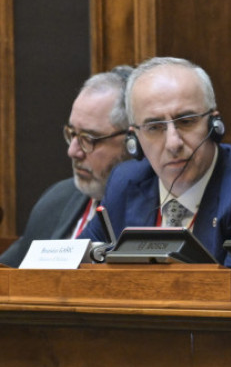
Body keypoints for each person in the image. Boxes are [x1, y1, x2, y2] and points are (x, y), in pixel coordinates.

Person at [80, 57, 231, 269]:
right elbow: (75, 266)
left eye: (186, 122)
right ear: (134, 139)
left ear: (214, 125)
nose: (173, 143)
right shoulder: (125, 182)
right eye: (154, 127)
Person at [0, 67, 133, 268]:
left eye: (89, 139)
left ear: (132, 141)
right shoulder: (57, 199)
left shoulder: (150, 212)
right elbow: (11, 273)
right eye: (72, 134)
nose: (73, 151)